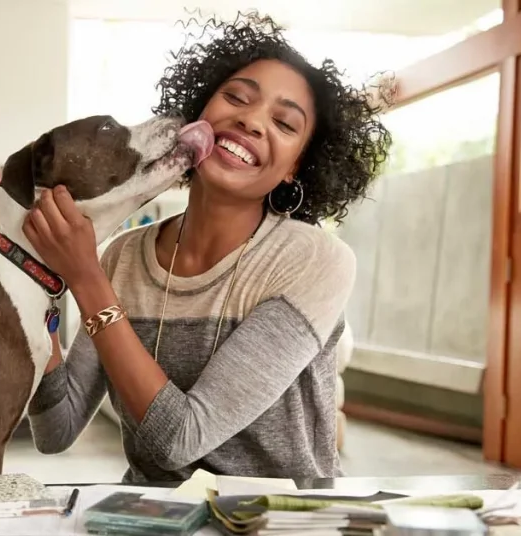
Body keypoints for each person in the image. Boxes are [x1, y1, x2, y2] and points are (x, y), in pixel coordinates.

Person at [21, 12, 392, 482]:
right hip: (151, 516)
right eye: (236, 97)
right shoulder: (123, 257)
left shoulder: (314, 260)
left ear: (298, 166)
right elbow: (56, 431)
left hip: (277, 521)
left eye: (283, 122)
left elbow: (179, 440)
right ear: (200, 116)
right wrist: (40, 282)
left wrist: (86, 278)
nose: (251, 120)